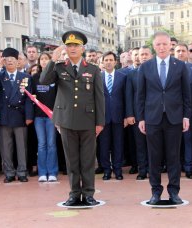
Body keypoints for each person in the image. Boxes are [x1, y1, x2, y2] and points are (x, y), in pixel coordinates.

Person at [40, 31, 105, 206]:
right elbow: (44, 81)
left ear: (82, 48)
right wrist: (53, 59)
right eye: (69, 46)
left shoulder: (92, 69)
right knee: (72, 160)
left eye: (76, 45)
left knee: (88, 160)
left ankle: (89, 193)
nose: (72, 48)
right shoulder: (59, 67)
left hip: (88, 121)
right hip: (66, 120)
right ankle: (74, 194)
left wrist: (100, 122)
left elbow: (99, 97)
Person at [137, 31, 191, 205]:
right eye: (158, 44)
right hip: (152, 118)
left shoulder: (180, 66)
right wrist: (141, 118)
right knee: (154, 157)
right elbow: (140, 95)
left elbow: (186, 94)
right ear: (154, 46)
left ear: (170, 46)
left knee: (174, 156)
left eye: (164, 44)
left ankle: (174, 192)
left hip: (174, 118)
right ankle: (155, 192)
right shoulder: (145, 67)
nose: (161, 47)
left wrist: (186, 116)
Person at [0, 47, 34, 183]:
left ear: (18, 62)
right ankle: (9, 172)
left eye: (12, 60)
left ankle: (22, 172)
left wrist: (29, 116)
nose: (10, 62)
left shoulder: (25, 77)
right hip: (5, 116)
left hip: (20, 115)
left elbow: (28, 98)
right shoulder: (0, 75)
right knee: (6, 146)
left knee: (21, 146)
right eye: (7, 60)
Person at [99, 51, 127, 180]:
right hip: (103, 117)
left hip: (119, 116)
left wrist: (127, 116)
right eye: (106, 60)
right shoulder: (98, 77)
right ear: (103, 62)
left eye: (111, 60)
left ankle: (118, 169)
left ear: (115, 62)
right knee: (104, 145)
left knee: (118, 144)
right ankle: (106, 170)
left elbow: (127, 97)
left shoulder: (123, 76)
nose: (108, 62)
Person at [126, 46, 152, 180]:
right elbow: (129, 95)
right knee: (140, 144)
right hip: (138, 115)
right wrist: (130, 114)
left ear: (151, 56)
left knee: (154, 144)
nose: (144, 56)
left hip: (155, 114)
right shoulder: (131, 74)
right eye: (142, 54)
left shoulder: (157, 72)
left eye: (146, 54)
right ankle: (143, 170)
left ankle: (154, 170)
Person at [32, 52, 59, 182]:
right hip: (38, 116)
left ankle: (52, 171)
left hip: (52, 116)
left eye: (46, 59)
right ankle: (42, 172)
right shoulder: (34, 77)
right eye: (41, 59)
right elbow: (31, 96)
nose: (44, 61)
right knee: (41, 144)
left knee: (51, 144)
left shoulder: (55, 76)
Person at [174, 43, 192, 179]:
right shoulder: (168, 68)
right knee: (174, 142)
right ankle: (176, 166)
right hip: (172, 112)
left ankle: (189, 168)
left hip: (188, 111)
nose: (180, 53)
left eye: (183, 51)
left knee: (188, 140)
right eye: (178, 51)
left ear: (187, 53)